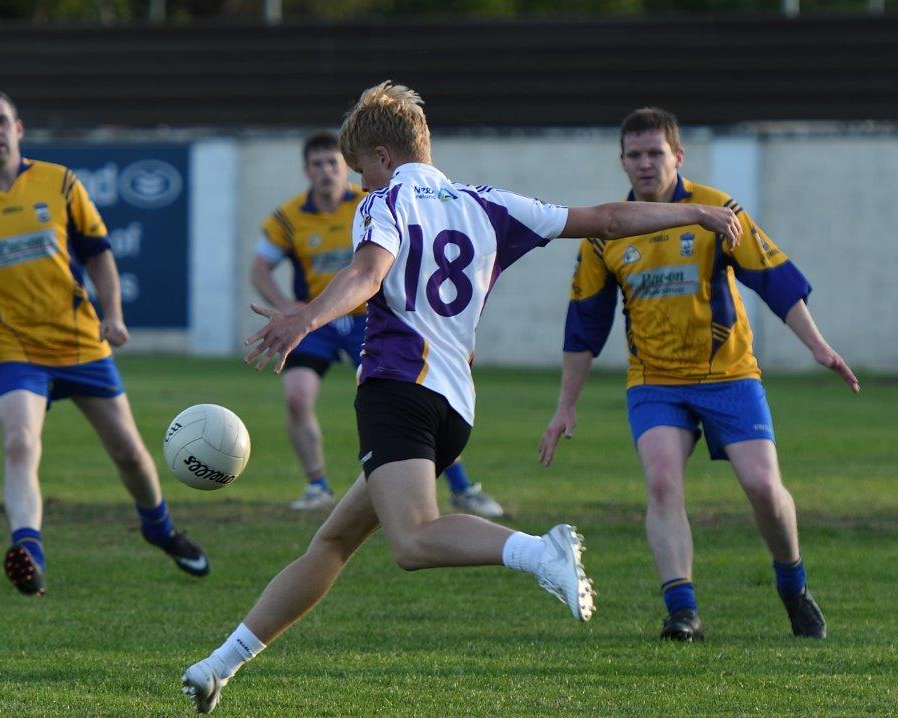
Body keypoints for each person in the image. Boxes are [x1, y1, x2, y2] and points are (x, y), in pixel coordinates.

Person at [180, 82, 742, 713]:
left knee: (413, 542)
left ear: (384, 155)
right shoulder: (489, 203)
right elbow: (607, 220)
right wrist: (693, 212)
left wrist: (304, 318)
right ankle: (217, 667)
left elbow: (367, 274)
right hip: (453, 409)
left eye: (361, 169)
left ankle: (538, 550)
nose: (361, 183)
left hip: (397, 390)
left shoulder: (384, 200)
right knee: (333, 543)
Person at [539, 107, 859, 642]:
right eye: (634, 154)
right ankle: (682, 611)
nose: (644, 163)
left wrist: (819, 347)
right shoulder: (607, 231)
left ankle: (793, 587)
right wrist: (565, 404)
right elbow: (584, 324)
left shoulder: (716, 209)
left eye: (655, 153)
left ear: (677, 156)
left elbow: (774, 278)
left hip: (730, 375)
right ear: (622, 161)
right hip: (655, 382)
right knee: (663, 484)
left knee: (763, 488)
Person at [0, 87, 210, 596]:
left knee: (130, 453)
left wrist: (113, 315)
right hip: (12, 349)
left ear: (19, 128)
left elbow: (99, 252)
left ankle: (161, 531)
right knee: (19, 442)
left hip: (78, 342)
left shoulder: (60, 182)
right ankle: (28, 549)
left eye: (1, 121)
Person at [253, 131, 504, 517]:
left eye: (332, 163)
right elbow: (259, 270)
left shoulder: (371, 202)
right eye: (317, 164)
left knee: (416, 398)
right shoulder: (288, 218)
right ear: (306, 170)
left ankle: (463, 488)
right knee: (296, 395)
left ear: (346, 166)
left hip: (370, 321)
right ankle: (317, 485)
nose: (326, 171)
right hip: (317, 320)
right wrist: (289, 307)